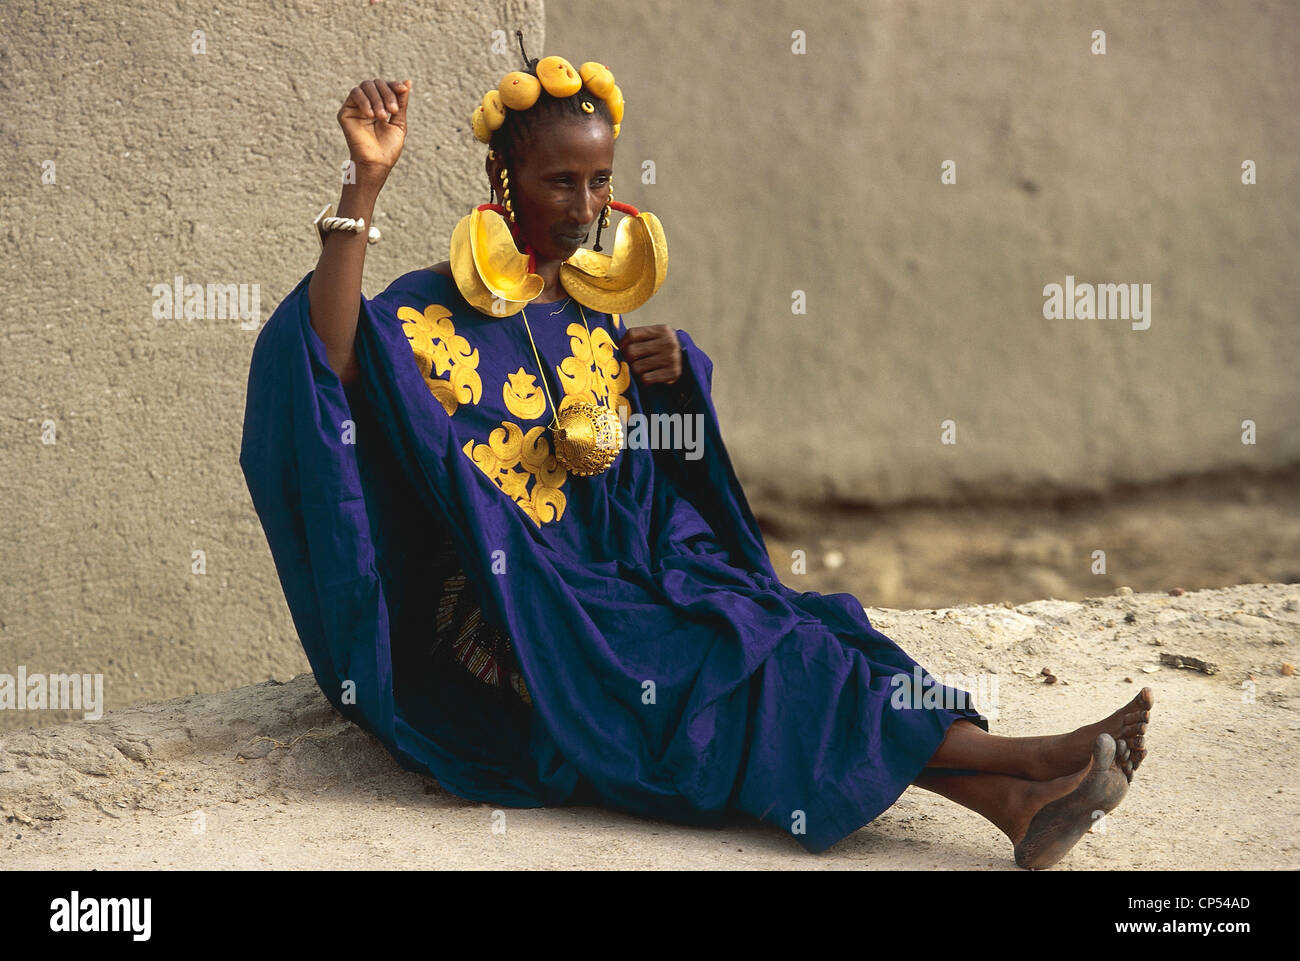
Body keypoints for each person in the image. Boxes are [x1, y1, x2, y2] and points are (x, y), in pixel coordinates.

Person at [239, 34, 1153, 869]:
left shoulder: (597, 306)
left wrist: (672, 383)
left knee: (802, 627)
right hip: (510, 613)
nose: (587, 207)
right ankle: (1036, 755)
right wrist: (364, 187)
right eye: (562, 182)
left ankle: (1013, 801)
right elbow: (329, 359)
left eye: (600, 183)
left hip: (625, 572)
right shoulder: (427, 310)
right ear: (502, 175)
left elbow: (636, 481)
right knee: (733, 662)